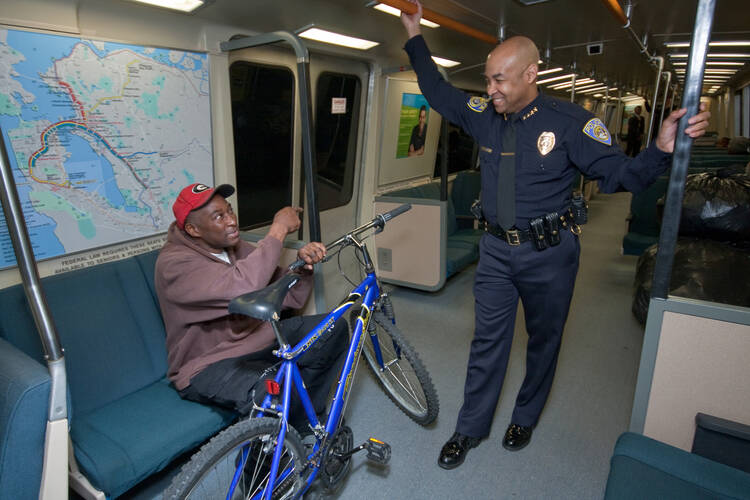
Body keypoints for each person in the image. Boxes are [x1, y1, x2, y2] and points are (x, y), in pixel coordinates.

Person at [400, 0, 710, 470]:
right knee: (487, 342)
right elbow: (437, 91)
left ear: (530, 74)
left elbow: (621, 176)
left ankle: (525, 416)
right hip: (497, 252)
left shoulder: (570, 123)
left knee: (544, 340)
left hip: (551, 254)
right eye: (487, 80)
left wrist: (661, 149)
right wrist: (414, 34)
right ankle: (469, 427)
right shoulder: (484, 112)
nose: (490, 89)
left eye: (498, 80)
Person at [154, 183, 348, 431]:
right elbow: (242, 289)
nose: (231, 221)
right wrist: (278, 229)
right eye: (219, 217)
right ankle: (262, 470)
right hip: (209, 364)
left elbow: (282, 294)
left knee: (333, 327)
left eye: (230, 211)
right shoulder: (175, 265)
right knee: (273, 394)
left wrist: (301, 267)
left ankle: (302, 422)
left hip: (259, 339)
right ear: (193, 229)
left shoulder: (232, 247)